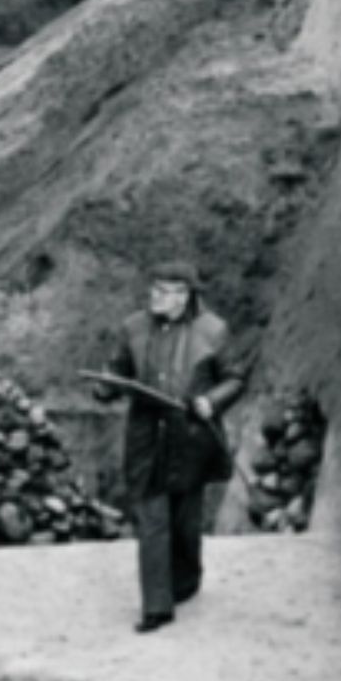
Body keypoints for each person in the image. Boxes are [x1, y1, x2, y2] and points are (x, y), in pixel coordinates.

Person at [91, 259, 244, 633]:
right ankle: (156, 607)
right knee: (152, 518)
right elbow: (117, 369)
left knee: (185, 519)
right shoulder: (133, 327)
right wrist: (105, 386)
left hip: (190, 437)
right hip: (146, 437)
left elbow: (235, 377)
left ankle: (187, 579)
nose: (154, 297)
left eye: (163, 291)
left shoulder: (214, 331)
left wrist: (212, 401)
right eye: (154, 289)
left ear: (183, 295)